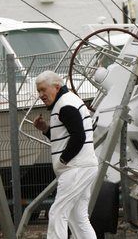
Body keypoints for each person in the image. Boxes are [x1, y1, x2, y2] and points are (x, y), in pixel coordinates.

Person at [34, 70, 98, 239]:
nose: (41, 95)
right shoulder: (66, 103)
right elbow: (66, 137)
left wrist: (63, 160)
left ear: (56, 87)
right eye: (38, 91)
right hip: (82, 166)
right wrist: (45, 129)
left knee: (57, 212)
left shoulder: (65, 104)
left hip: (75, 168)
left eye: (43, 90)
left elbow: (79, 136)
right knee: (77, 218)